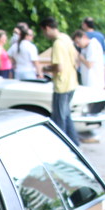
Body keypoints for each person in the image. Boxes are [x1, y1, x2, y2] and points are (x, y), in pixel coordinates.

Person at [39, 16, 80, 146]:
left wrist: (45, 68)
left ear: (47, 28)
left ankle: (60, 146)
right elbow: (76, 58)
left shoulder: (57, 43)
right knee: (66, 115)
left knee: (59, 118)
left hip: (62, 85)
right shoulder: (66, 38)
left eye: (43, 32)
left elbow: (58, 67)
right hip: (72, 82)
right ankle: (74, 144)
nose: (44, 35)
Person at [73, 29, 105, 143]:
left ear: (83, 37)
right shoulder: (85, 48)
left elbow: (89, 64)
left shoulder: (93, 45)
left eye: (78, 42)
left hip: (95, 82)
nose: (78, 45)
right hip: (88, 81)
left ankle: (92, 133)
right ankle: (87, 133)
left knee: (92, 110)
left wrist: (79, 56)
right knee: (87, 109)